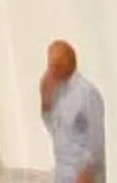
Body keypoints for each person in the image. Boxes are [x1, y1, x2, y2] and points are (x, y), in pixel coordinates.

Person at [40, 40, 106, 183]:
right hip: (62, 172)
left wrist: (87, 171)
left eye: (56, 64)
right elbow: (55, 130)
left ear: (70, 62)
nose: (51, 69)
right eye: (50, 64)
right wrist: (45, 103)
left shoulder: (87, 93)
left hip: (84, 175)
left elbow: (96, 139)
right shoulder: (56, 91)